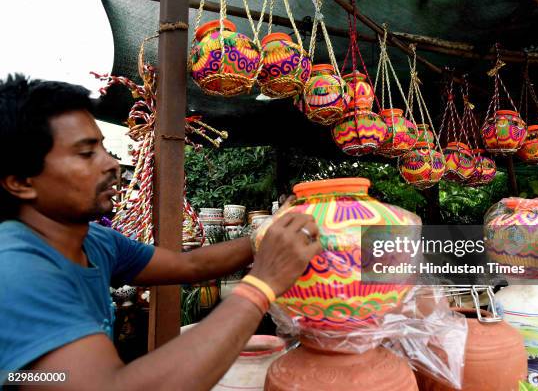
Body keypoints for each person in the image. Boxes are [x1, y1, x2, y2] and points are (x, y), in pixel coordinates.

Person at [0, 74, 322, 389]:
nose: (111, 164)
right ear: (20, 182)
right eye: (86, 153)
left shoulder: (96, 243)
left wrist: (266, 236)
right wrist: (262, 284)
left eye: (102, 148)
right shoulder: (16, 269)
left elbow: (190, 265)